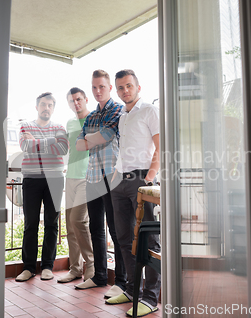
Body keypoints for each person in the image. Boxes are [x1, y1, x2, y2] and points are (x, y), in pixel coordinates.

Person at [106, 69, 161, 317]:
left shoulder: (149, 110)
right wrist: (117, 176)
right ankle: (131, 290)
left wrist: (148, 180)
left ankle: (150, 298)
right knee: (124, 237)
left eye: (128, 86)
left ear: (138, 87)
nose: (124, 90)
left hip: (142, 180)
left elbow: (162, 147)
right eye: (120, 87)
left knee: (149, 240)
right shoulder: (122, 117)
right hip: (121, 182)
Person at [74, 69, 127, 298]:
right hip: (93, 176)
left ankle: (123, 281)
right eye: (94, 87)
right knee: (96, 227)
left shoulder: (118, 109)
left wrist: (90, 139)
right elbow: (78, 145)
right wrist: (91, 138)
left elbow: (105, 136)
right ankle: (100, 276)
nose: (97, 91)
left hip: (111, 176)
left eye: (102, 87)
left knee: (117, 229)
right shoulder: (91, 116)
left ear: (110, 88)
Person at [15, 92, 69, 282]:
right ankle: (28, 268)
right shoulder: (26, 125)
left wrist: (37, 142)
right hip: (31, 179)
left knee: (52, 224)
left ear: (53, 108)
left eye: (50, 105)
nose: (47, 108)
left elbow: (63, 149)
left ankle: (47, 266)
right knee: (31, 224)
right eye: (44, 105)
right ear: (37, 106)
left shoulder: (59, 127)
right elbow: (25, 146)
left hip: (54, 179)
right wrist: (52, 140)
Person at [57, 87, 95, 283]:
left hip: (86, 178)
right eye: (72, 101)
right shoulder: (70, 122)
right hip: (70, 177)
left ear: (85, 99)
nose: (76, 103)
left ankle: (91, 265)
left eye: (79, 99)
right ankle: (75, 268)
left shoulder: (94, 119)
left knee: (79, 221)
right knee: (70, 225)